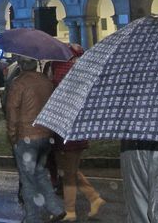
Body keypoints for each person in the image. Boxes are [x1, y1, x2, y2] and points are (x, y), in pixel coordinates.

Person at [6, 58, 66, 223]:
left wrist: (12, 137)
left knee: (27, 179)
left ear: (21, 65)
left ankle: (32, 217)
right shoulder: (46, 82)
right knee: (40, 173)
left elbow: (12, 112)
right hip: (46, 136)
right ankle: (56, 208)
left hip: (26, 137)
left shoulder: (19, 84)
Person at [47, 53, 105, 221]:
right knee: (71, 170)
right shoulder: (77, 75)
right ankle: (94, 198)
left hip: (64, 132)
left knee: (68, 173)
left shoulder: (58, 79)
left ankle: (71, 211)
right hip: (76, 132)